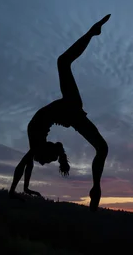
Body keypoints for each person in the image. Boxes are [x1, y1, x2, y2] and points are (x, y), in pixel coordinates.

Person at [8, 14, 111, 212]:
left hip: (69, 110)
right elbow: (26, 165)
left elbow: (25, 165)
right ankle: (96, 186)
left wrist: (19, 189)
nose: (42, 162)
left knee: (102, 148)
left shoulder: (36, 147)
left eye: (45, 161)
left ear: (46, 152)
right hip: (69, 109)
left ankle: (96, 187)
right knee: (62, 62)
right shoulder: (36, 145)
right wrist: (22, 187)